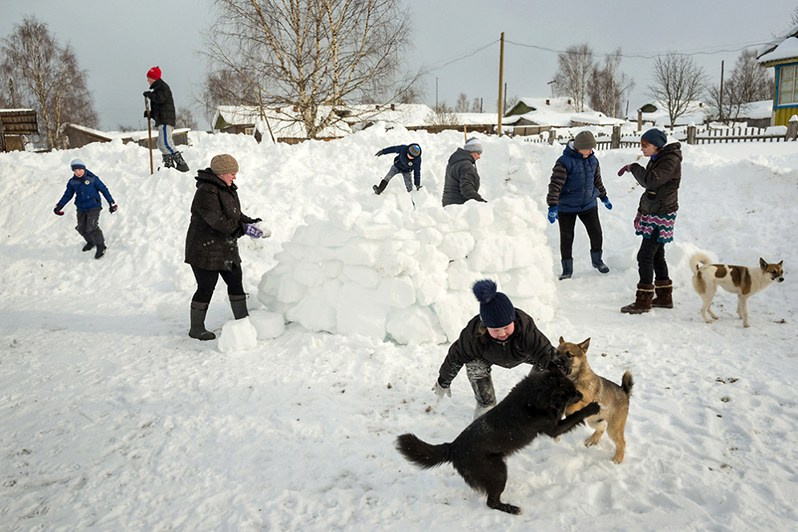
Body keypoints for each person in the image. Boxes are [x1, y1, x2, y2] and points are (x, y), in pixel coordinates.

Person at [432, 279, 570, 419]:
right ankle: (486, 405)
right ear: (486, 327)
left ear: (513, 321)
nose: (502, 333)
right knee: (474, 364)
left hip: (522, 353)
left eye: (506, 327)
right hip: (486, 357)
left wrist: (562, 375)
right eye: (496, 330)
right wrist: (443, 381)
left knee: (547, 366)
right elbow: (456, 356)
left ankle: (533, 395)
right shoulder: (474, 336)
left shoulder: (525, 330)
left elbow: (546, 353)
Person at [184, 154, 268, 340]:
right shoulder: (206, 192)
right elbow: (217, 221)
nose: (235, 177)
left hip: (224, 247)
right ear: (221, 173)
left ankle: (242, 322)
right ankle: (196, 328)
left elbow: (234, 215)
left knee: (236, 280)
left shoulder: (227, 189)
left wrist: (252, 223)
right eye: (232, 173)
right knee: (206, 286)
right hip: (204, 249)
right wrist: (244, 229)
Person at [617, 128, 681, 314]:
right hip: (656, 211)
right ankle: (664, 296)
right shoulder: (659, 159)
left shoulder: (670, 160)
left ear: (657, 145)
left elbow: (651, 182)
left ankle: (643, 301)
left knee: (645, 256)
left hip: (661, 214)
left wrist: (634, 168)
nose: (642, 149)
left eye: (645, 145)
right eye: (641, 145)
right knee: (657, 255)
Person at [546, 130, 612, 280]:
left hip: (588, 204)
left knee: (596, 233)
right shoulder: (564, 162)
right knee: (567, 238)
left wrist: (604, 197)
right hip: (567, 207)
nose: (591, 151)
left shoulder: (593, 160)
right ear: (579, 147)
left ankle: (597, 261)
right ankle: (567, 270)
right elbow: (555, 185)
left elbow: (597, 181)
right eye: (588, 148)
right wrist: (553, 205)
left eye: (592, 148)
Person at [53, 158, 118, 259]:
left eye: (80, 169)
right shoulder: (72, 182)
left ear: (84, 169)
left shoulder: (93, 179)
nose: (78, 172)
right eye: (75, 170)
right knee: (81, 228)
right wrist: (59, 206)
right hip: (81, 207)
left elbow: (104, 190)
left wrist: (111, 203)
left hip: (94, 206)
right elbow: (67, 195)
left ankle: (101, 246)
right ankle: (91, 242)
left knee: (91, 227)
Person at [143, 66, 189, 172]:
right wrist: (150, 114)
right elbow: (159, 107)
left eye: (149, 78)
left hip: (166, 120)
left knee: (166, 142)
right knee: (160, 143)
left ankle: (182, 164)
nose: (147, 80)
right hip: (162, 120)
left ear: (153, 78)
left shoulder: (163, 87)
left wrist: (150, 95)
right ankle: (169, 164)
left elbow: (160, 99)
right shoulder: (157, 89)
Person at [442, 137, 488, 206]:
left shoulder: (455, 160)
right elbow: (467, 189)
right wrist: (481, 202)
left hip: (449, 203)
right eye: (478, 153)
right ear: (472, 151)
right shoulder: (466, 165)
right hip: (459, 206)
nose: (479, 157)